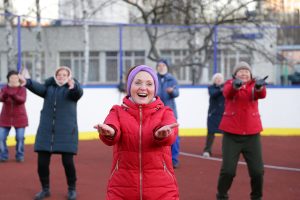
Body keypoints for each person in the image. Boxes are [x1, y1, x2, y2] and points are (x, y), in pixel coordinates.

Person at [94, 65, 179, 200]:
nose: (143, 87)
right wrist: (109, 133)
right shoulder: (117, 111)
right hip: (121, 188)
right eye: (137, 82)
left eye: (149, 84)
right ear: (129, 87)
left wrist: (162, 135)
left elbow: (171, 133)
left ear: (155, 89)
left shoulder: (165, 112)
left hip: (162, 189)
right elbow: (112, 129)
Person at [19, 66, 83, 200]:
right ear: (55, 76)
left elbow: (78, 93)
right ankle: (45, 189)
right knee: (42, 163)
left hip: (67, 133)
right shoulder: (48, 89)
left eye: (64, 75)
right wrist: (27, 81)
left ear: (69, 76)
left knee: (68, 162)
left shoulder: (72, 90)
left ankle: (72, 189)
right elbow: (37, 87)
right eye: (59, 75)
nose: (61, 77)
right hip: (46, 132)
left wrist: (74, 86)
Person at [216, 61, 267, 200]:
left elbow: (261, 94)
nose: (244, 73)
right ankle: (221, 195)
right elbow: (228, 92)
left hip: (252, 135)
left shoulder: (254, 86)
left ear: (250, 74)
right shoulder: (229, 84)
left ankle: (256, 197)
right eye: (240, 71)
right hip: (231, 136)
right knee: (228, 171)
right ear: (235, 74)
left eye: (246, 71)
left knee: (257, 171)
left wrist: (259, 87)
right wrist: (235, 86)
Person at [156, 60, 180, 169]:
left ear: (167, 67)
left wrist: (172, 92)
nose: (161, 67)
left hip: (170, 112)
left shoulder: (172, 79)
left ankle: (174, 160)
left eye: (163, 65)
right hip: (155, 112)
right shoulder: (153, 78)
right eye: (159, 65)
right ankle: (158, 160)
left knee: (174, 136)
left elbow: (177, 93)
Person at [0, 70, 28, 162]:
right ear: (8, 79)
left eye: (16, 77)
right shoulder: (4, 88)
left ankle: (20, 155)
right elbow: (1, 98)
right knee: (1, 137)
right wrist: (4, 95)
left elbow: (22, 100)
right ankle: (3, 155)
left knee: (20, 138)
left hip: (20, 118)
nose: (14, 79)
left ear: (19, 79)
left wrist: (13, 96)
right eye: (12, 77)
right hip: (5, 118)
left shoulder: (22, 89)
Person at [203, 73, 225, 158]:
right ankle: (207, 150)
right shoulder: (211, 88)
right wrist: (221, 90)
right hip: (213, 114)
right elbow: (213, 94)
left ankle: (225, 151)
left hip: (223, 114)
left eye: (220, 78)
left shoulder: (226, 89)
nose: (218, 79)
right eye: (216, 78)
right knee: (210, 133)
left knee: (225, 135)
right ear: (214, 80)